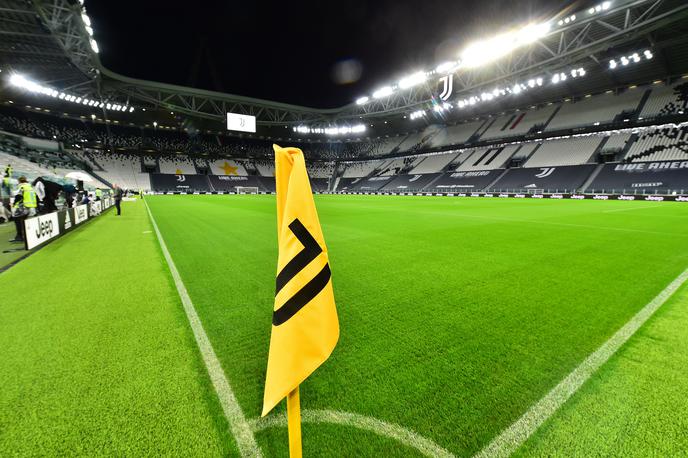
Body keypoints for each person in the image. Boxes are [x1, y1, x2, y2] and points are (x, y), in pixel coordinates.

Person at [11, 176, 37, 243]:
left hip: (21, 206)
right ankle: (25, 235)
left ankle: (19, 236)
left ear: (19, 181)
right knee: (23, 221)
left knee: (17, 221)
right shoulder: (30, 187)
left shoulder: (21, 187)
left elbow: (19, 196)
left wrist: (14, 204)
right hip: (28, 206)